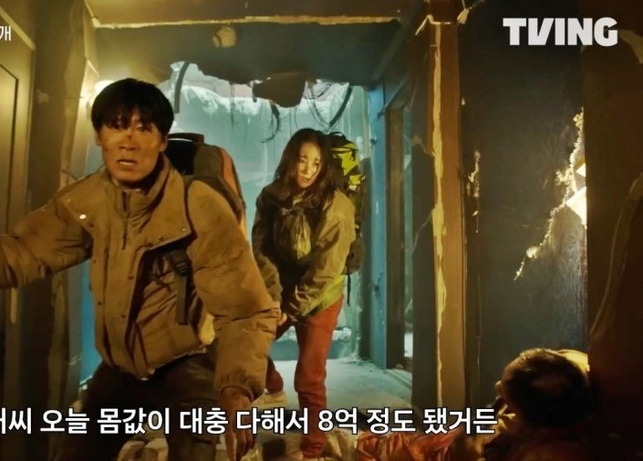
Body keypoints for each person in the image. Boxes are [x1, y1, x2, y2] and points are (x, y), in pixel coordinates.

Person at [0, 78, 279, 461]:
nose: (128, 141)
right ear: (99, 136)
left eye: (143, 128)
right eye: (117, 126)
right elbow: (25, 249)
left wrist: (236, 389)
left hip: (189, 362)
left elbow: (245, 309)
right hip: (120, 367)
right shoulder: (88, 200)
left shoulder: (198, 206)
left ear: (162, 140)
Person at [250, 128, 357, 460]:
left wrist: (293, 308)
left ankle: (312, 450)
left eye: (316, 163)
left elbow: (326, 270)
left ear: (324, 166)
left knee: (309, 376)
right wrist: (273, 296)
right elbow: (262, 250)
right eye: (302, 160)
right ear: (290, 160)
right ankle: (273, 389)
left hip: (321, 296)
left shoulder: (336, 206)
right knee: (249, 344)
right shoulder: (271, 196)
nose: (308, 170)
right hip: (282, 289)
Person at [355, 348, 595, 461]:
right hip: (441, 443)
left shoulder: (550, 454)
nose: (497, 387)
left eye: (506, 397)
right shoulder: (569, 368)